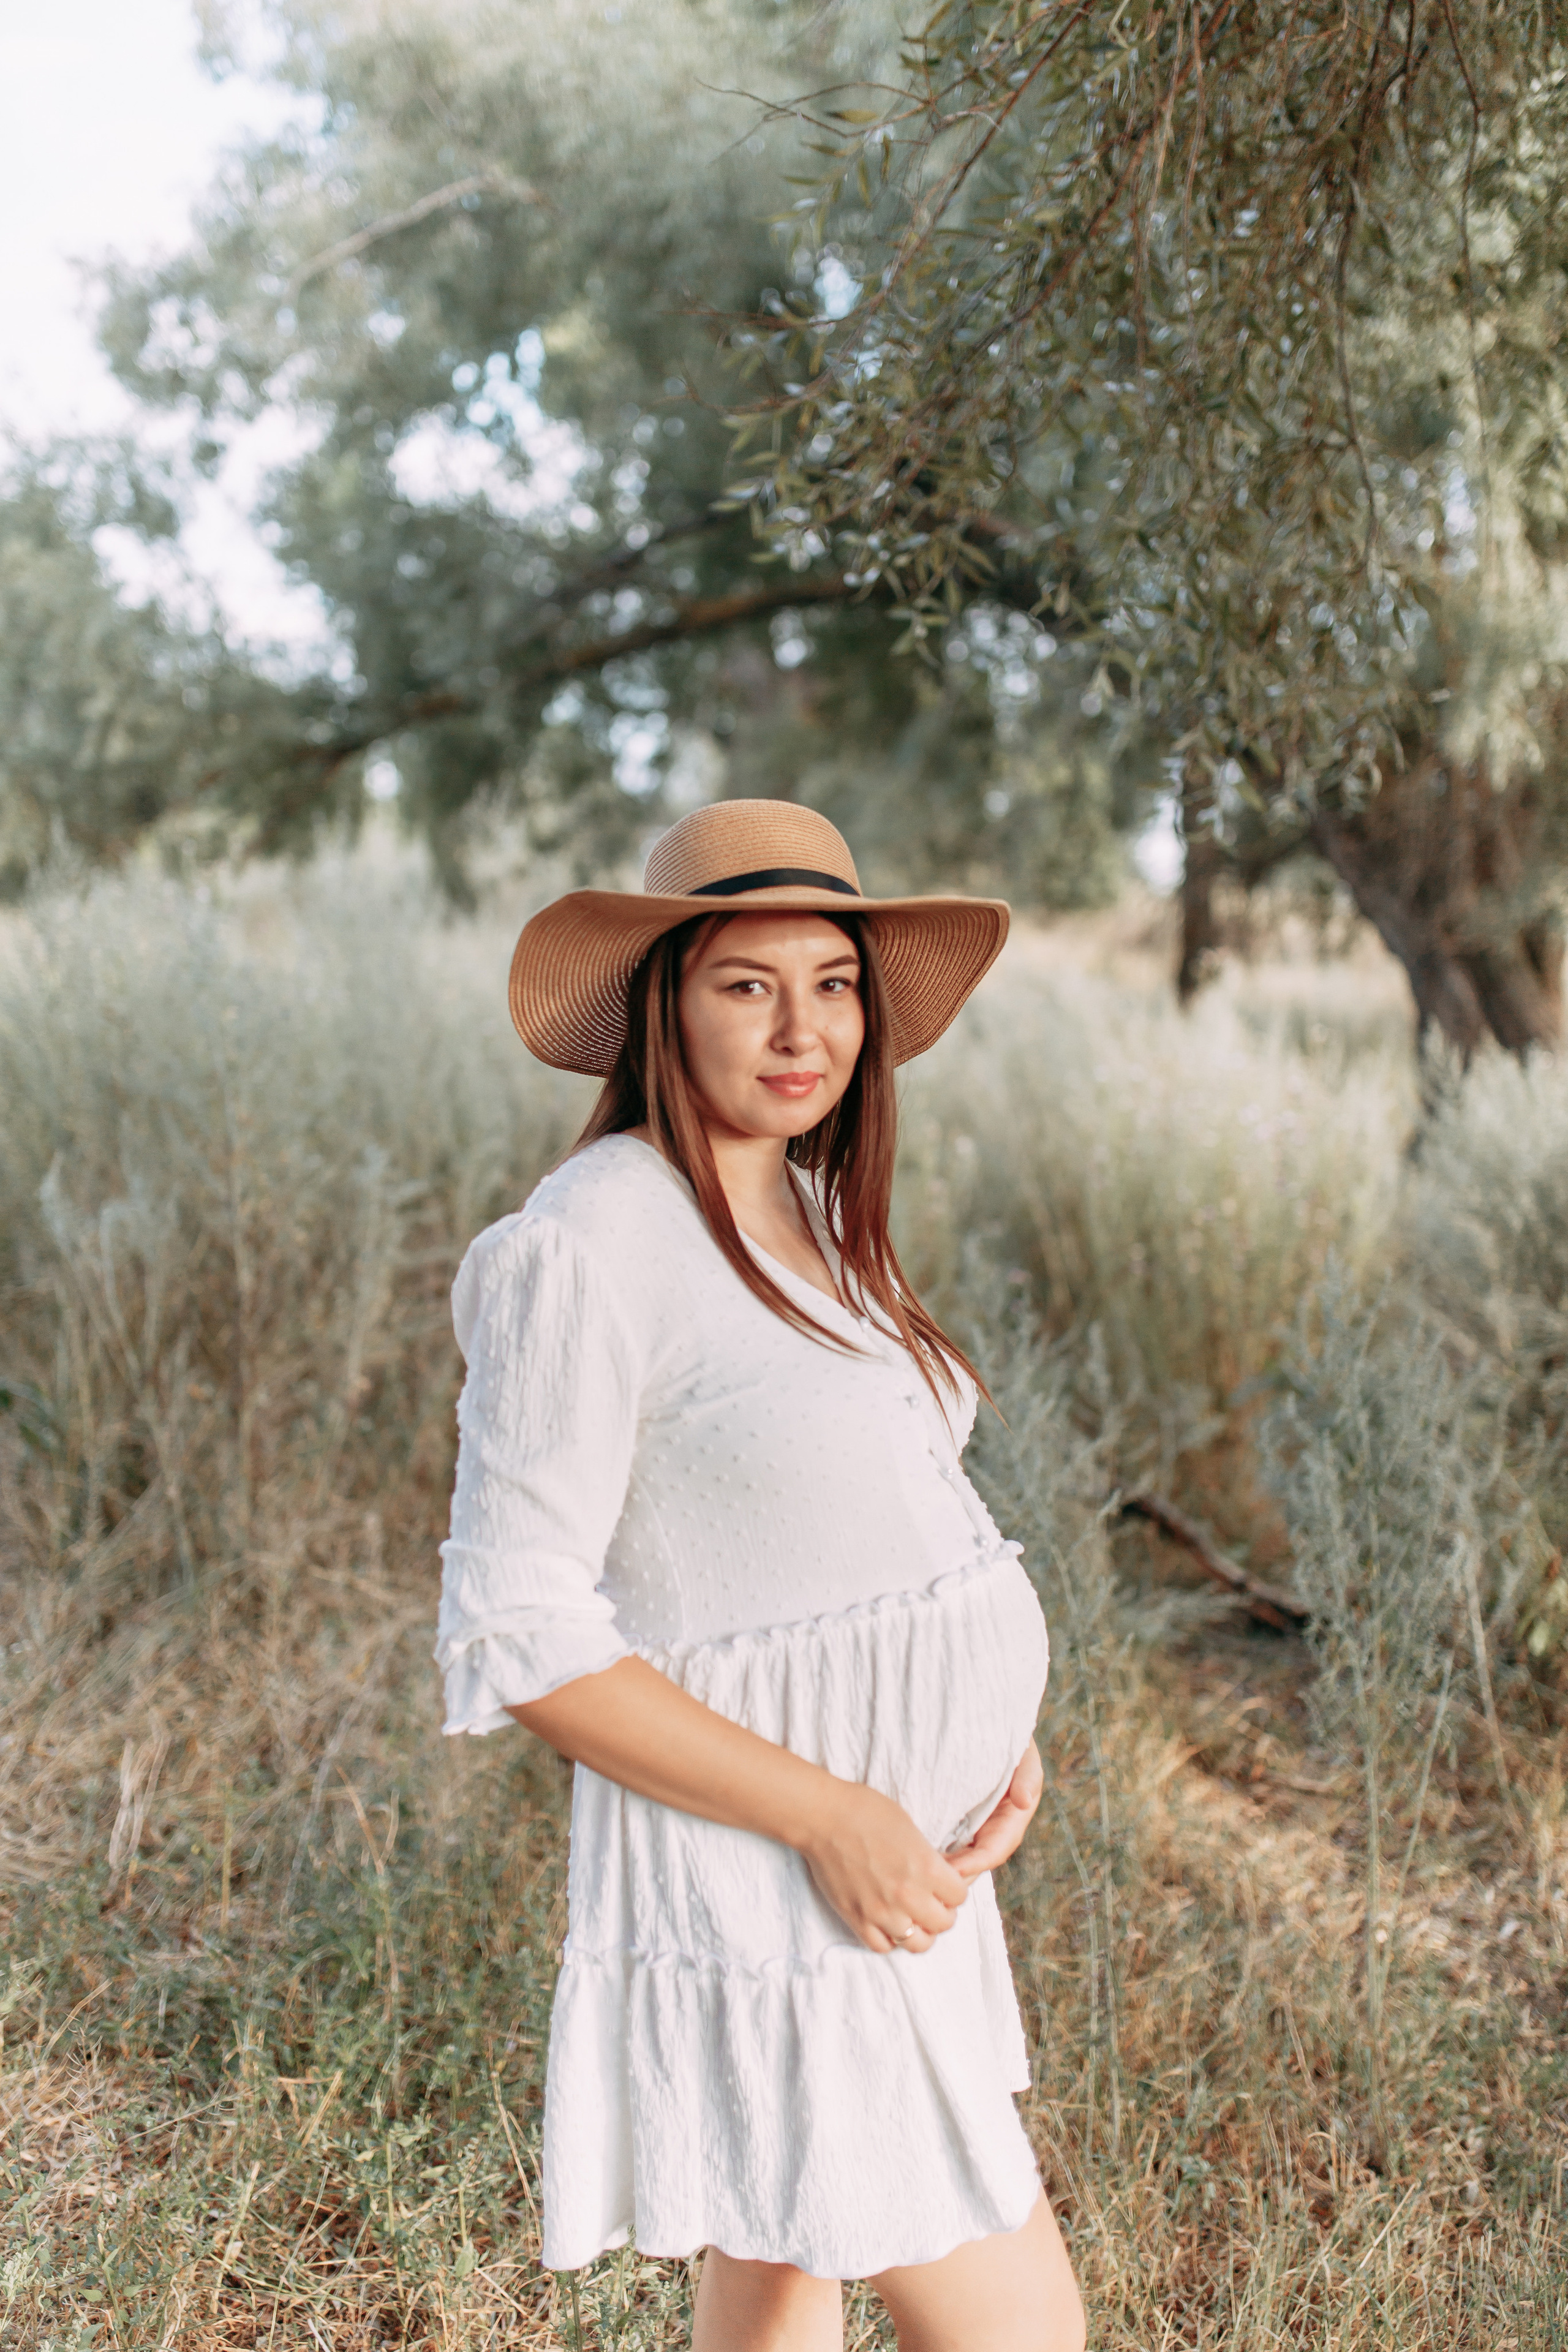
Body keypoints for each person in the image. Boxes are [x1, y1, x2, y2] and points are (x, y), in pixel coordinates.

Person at [435, 800, 1085, 2352]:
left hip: (889, 1873)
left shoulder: (805, 1207)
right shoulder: (590, 1244)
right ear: (664, 1002)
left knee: (778, 2289)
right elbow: (517, 1629)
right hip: (781, 1875)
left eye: (834, 982)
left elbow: (876, 1527)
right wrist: (838, 1814)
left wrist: (987, 1734)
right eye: (746, 984)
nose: (804, 1030)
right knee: (1020, 2333)